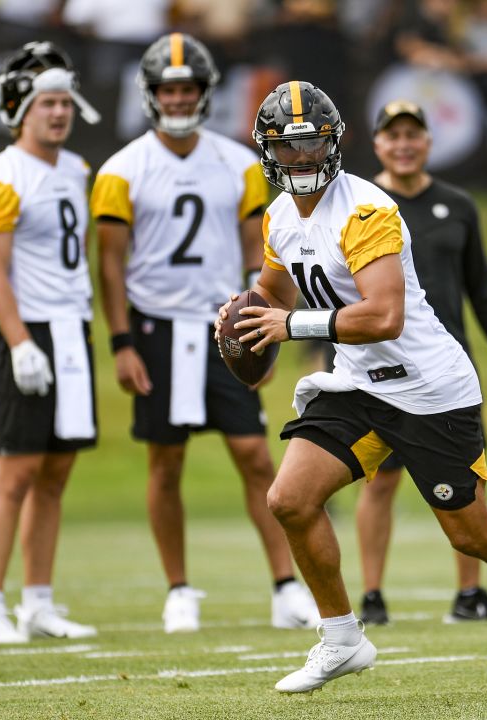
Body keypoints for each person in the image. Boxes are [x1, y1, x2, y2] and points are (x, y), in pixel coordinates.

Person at [216, 80, 487, 695]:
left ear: (334, 145)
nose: (299, 159)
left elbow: (384, 317)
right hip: (357, 384)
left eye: (310, 145)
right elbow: (273, 291)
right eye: (287, 147)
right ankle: (342, 637)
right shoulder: (277, 216)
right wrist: (245, 314)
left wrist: (289, 325)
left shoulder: (366, 210)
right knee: (290, 499)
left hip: (428, 387)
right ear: (268, 150)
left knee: (472, 533)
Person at [90, 33, 319, 634]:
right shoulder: (121, 170)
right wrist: (120, 342)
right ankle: (179, 589)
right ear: (151, 94)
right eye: (169, 88)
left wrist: (261, 324)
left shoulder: (241, 163)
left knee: (253, 456)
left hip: (225, 324)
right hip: (156, 326)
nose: (178, 97)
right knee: (165, 461)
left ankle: (285, 584)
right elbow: (109, 264)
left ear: (205, 91)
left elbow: (257, 254)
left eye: (188, 86)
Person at [353, 99, 487, 626]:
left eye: (413, 134)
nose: (403, 144)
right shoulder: (363, 205)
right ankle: (372, 597)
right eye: (392, 135)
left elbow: (481, 287)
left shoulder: (457, 204)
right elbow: (339, 285)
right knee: (380, 479)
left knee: (466, 479)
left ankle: (469, 596)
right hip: (383, 365)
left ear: (428, 141)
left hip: (449, 368)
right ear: (377, 143)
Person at [0, 41, 103, 643]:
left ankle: (37, 602)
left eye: (65, 101)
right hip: (28, 331)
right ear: (20, 108)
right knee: (13, 473)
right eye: (47, 102)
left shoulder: (74, 169)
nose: (59, 112)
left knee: (55, 474)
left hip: (72, 330)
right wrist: (20, 342)